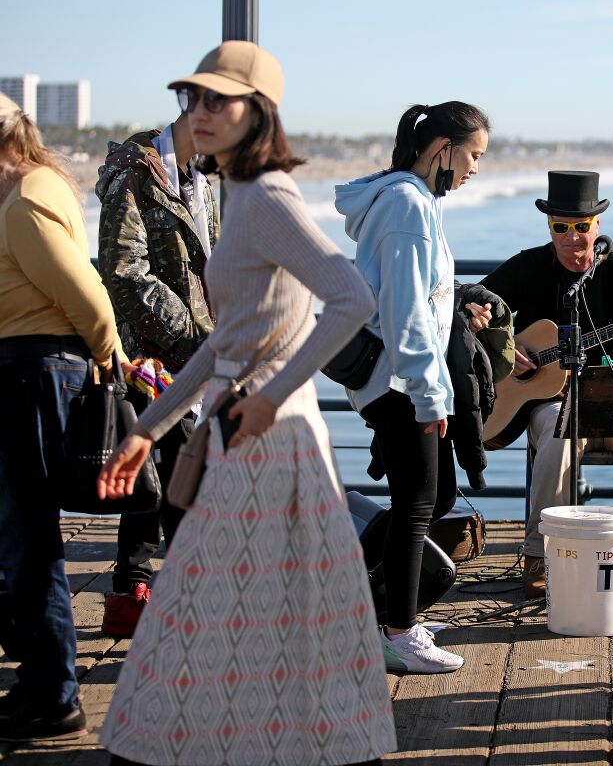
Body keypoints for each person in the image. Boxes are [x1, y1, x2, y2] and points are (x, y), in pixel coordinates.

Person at [96, 41, 394, 766]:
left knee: (197, 604)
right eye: (191, 99)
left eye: (216, 100)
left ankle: (174, 746)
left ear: (257, 113)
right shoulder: (245, 195)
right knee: (264, 609)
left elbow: (351, 298)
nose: (198, 112)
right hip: (252, 432)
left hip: (266, 436)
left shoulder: (265, 198)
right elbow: (224, 343)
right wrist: (145, 429)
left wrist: (272, 397)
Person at [336, 101, 490, 674]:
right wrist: (430, 395)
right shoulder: (405, 206)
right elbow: (405, 311)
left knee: (433, 497)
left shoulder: (415, 201)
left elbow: (426, 300)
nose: (475, 168)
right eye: (473, 155)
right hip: (400, 382)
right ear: (442, 148)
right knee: (418, 503)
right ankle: (397, 632)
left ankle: (384, 608)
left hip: (406, 380)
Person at [0, 91, 124, 743]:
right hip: (31, 367)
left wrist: (111, 361)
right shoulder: (26, 191)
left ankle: (53, 696)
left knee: (29, 539)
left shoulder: (24, 200)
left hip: (34, 369)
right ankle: (41, 684)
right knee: (21, 539)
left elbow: (87, 294)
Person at [480, 170, 613, 599]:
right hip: (551, 402)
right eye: (560, 227)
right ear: (550, 228)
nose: (571, 237)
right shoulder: (528, 266)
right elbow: (470, 299)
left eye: (580, 227)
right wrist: (507, 351)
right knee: (556, 433)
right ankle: (540, 556)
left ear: (596, 226)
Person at [95, 106, 220, 638]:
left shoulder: (196, 177)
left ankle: (130, 590)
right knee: (182, 480)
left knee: (161, 479)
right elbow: (124, 271)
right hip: (154, 358)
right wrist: (194, 338)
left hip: (194, 357)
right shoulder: (136, 173)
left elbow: (207, 263)